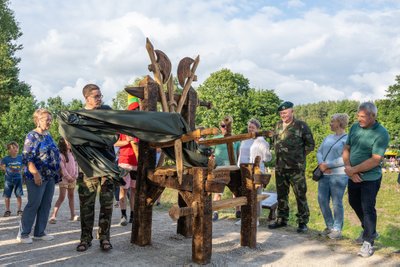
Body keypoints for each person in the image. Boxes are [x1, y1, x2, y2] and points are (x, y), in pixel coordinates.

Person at [343, 102, 389, 257]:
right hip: (353, 174)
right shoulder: (355, 127)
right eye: (358, 116)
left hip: (370, 177)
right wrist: (349, 169)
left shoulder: (381, 133)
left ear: (372, 116)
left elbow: (375, 160)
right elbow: (346, 148)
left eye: (362, 116)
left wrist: (352, 170)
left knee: (368, 207)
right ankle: (371, 231)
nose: (359, 119)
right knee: (353, 202)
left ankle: (368, 242)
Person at [76, 84, 116, 252]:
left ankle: (105, 238)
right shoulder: (78, 117)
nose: (100, 99)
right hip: (88, 167)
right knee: (87, 205)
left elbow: (113, 136)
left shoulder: (106, 111)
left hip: (107, 165)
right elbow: (75, 139)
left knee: (107, 204)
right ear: (87, 98)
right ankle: (85, 239)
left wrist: (94, 139)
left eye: (100, 96)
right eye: (96, 96)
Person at [269, 101, 315, 233]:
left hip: (296, 168)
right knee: (281, 195)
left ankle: (302, 222)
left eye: (285, 112)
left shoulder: (301, 126)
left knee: (300, 195)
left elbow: (310, 145)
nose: (283, 115)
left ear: (292, 111)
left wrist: (298, 157)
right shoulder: (277, 126)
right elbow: (275, 143)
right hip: (280, 167)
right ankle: (282, 219)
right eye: (281, 113)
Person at [17, 108, 61, 244]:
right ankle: (23, 234)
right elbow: (27, 158)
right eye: (46, 119)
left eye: (50, 119)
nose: (49, 122)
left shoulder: (48, 135)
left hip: (49, 177)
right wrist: (35, 174)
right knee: (34, 204)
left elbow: (54, 154)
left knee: (46, 204)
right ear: (37, 120)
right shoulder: (31, 136)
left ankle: (40, 232)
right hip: (36, 176)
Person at [316, 113, 349, 239]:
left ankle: (337, 228)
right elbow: (319, 152)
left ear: (340, 123)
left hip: (339, 176)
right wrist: (321, 165)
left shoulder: (347, 139)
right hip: (324, 174)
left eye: (332, 121)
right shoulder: (328, 137)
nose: (330, 123)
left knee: (336, 202)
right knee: (322, 200)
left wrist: (328, 165)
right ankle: (329, 226)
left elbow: (345, 159)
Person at [236, 118, 272, 225]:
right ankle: (244, 217)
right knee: (244, 193)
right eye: (249, 127)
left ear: (257, 128)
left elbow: (267, 157)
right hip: (244, 170)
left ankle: (255, 218)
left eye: (253, 127)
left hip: (256, 170)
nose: (250, 129)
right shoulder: (245, 139)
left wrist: (261, 157)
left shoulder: (261, 141)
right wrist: (239, 166)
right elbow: (240, 155)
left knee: (256, 194)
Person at [211, 118, 240, 221]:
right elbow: (212, 154)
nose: (225, 128)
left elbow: (238, 153)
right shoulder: (216, 138)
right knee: (218, 191)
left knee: (236, 191)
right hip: (220, 168)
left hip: (233, 168)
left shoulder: (235, 138)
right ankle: (215, 211)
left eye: (227, 126)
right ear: (220, 127)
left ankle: (238, 210)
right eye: (223, 126)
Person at [49, 137, 79, 224]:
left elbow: (76, 165)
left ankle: (73, 215)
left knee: (71, 196)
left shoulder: (73, 154)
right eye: (67, 142)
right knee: (62, 197)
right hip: (64, 179)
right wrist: (68, 177)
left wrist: (75, 176)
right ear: (63, 144)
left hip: (73, 178)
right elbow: (62, 168)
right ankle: (53, 216)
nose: (69, 143)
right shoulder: (60, 155)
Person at [1, 141, 24, 217]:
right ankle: (7, 210)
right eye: (13, 148)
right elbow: (2, 166)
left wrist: (23, 170)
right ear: (9, 150)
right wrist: (5, 169)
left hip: (18, 179)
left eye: (17, 147)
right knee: (7, 196)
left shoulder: (20, 157)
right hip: (8, 180)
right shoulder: (6, 159)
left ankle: (19, 210)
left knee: (19, 195)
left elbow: (25, 165)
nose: (16, 149)